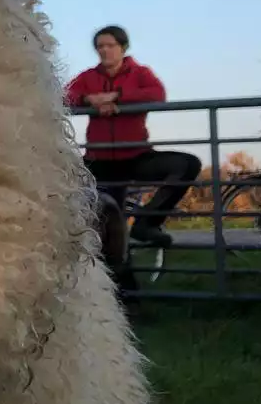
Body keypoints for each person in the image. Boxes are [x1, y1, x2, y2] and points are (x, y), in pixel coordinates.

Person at [64, 25, 202, 248]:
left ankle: (146, 224)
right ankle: (122, 279)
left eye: (110, 45)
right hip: (99, 161)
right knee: (108, 233)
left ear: (123, 47)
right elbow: (64, 96)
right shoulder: (88, 77)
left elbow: (157, 94)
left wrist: (117, 97)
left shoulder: (140, 73)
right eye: (100, 46)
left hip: (135, 156)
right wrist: (91, 100)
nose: (105, 50)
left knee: (187, 165)